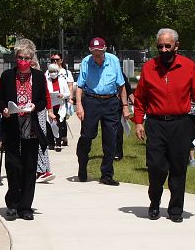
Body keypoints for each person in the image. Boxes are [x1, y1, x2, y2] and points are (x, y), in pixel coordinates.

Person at [133, 28, 195, 223]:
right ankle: (154, 203)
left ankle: (176, 209)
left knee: (178, 168)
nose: (163, 50)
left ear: (176, 46)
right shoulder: (149, 67)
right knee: (156, 167)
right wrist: (138, 122)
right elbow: (140, 98)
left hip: (181, 124)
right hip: (156, 124)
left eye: (167, 46)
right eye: (160, 46)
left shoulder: (187, 66)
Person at [0, 39, 49, 220]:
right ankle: (12, 204)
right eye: (20, 57)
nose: (23, 61)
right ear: (15, 58)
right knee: (13, 166)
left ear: (32, 59)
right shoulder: (7, 76)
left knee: (29, 167)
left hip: (31, 127)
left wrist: (35, 106)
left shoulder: (39, 77)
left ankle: (25, 207)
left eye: (27, 58)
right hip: (12, 125)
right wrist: (4, 109)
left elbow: (43, 100)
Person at [76, 37, 129, 185]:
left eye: (99, 53)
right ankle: (82, 164)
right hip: (91, 100)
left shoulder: (113, 61)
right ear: (90, 51)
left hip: (111, 101)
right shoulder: (86, 62)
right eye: (94, 53)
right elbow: (80, 85)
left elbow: (121, 85)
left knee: (111, 138)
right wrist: (79, 105)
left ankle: (106, 174)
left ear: (105, 50)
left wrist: (125, 106)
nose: (97, 56)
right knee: (87, 135)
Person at [49, 52, 75, 146]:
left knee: (62, 119)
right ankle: (54, 138)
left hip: (63, 99)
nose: (55, 61)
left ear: (61, 60)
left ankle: (63, 137)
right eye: (53, 60)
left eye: (57, 59)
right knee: (52, 119)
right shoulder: (48, 72)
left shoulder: (66, 72)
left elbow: (70, 86)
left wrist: (69, 98)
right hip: (52, 100)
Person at [45, 62, 70, 152]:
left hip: (59, 106)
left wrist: (62, 95)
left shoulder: (62, 81)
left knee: (58, 124)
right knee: (49, 125)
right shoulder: (46, 81)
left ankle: (58, 143)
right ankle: (51, 143)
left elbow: (68, 93)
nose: (53, 73)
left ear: (58, 72)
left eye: (54, 71)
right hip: (49, 107)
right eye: (51, 71)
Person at [115, 72, 134, 161]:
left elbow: (129, 91)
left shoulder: (121, 75)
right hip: (107, 105)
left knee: (118, 129)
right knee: (108, 130)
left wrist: (137, 106)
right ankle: (109, 152)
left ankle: (118, 153)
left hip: (118, 106)